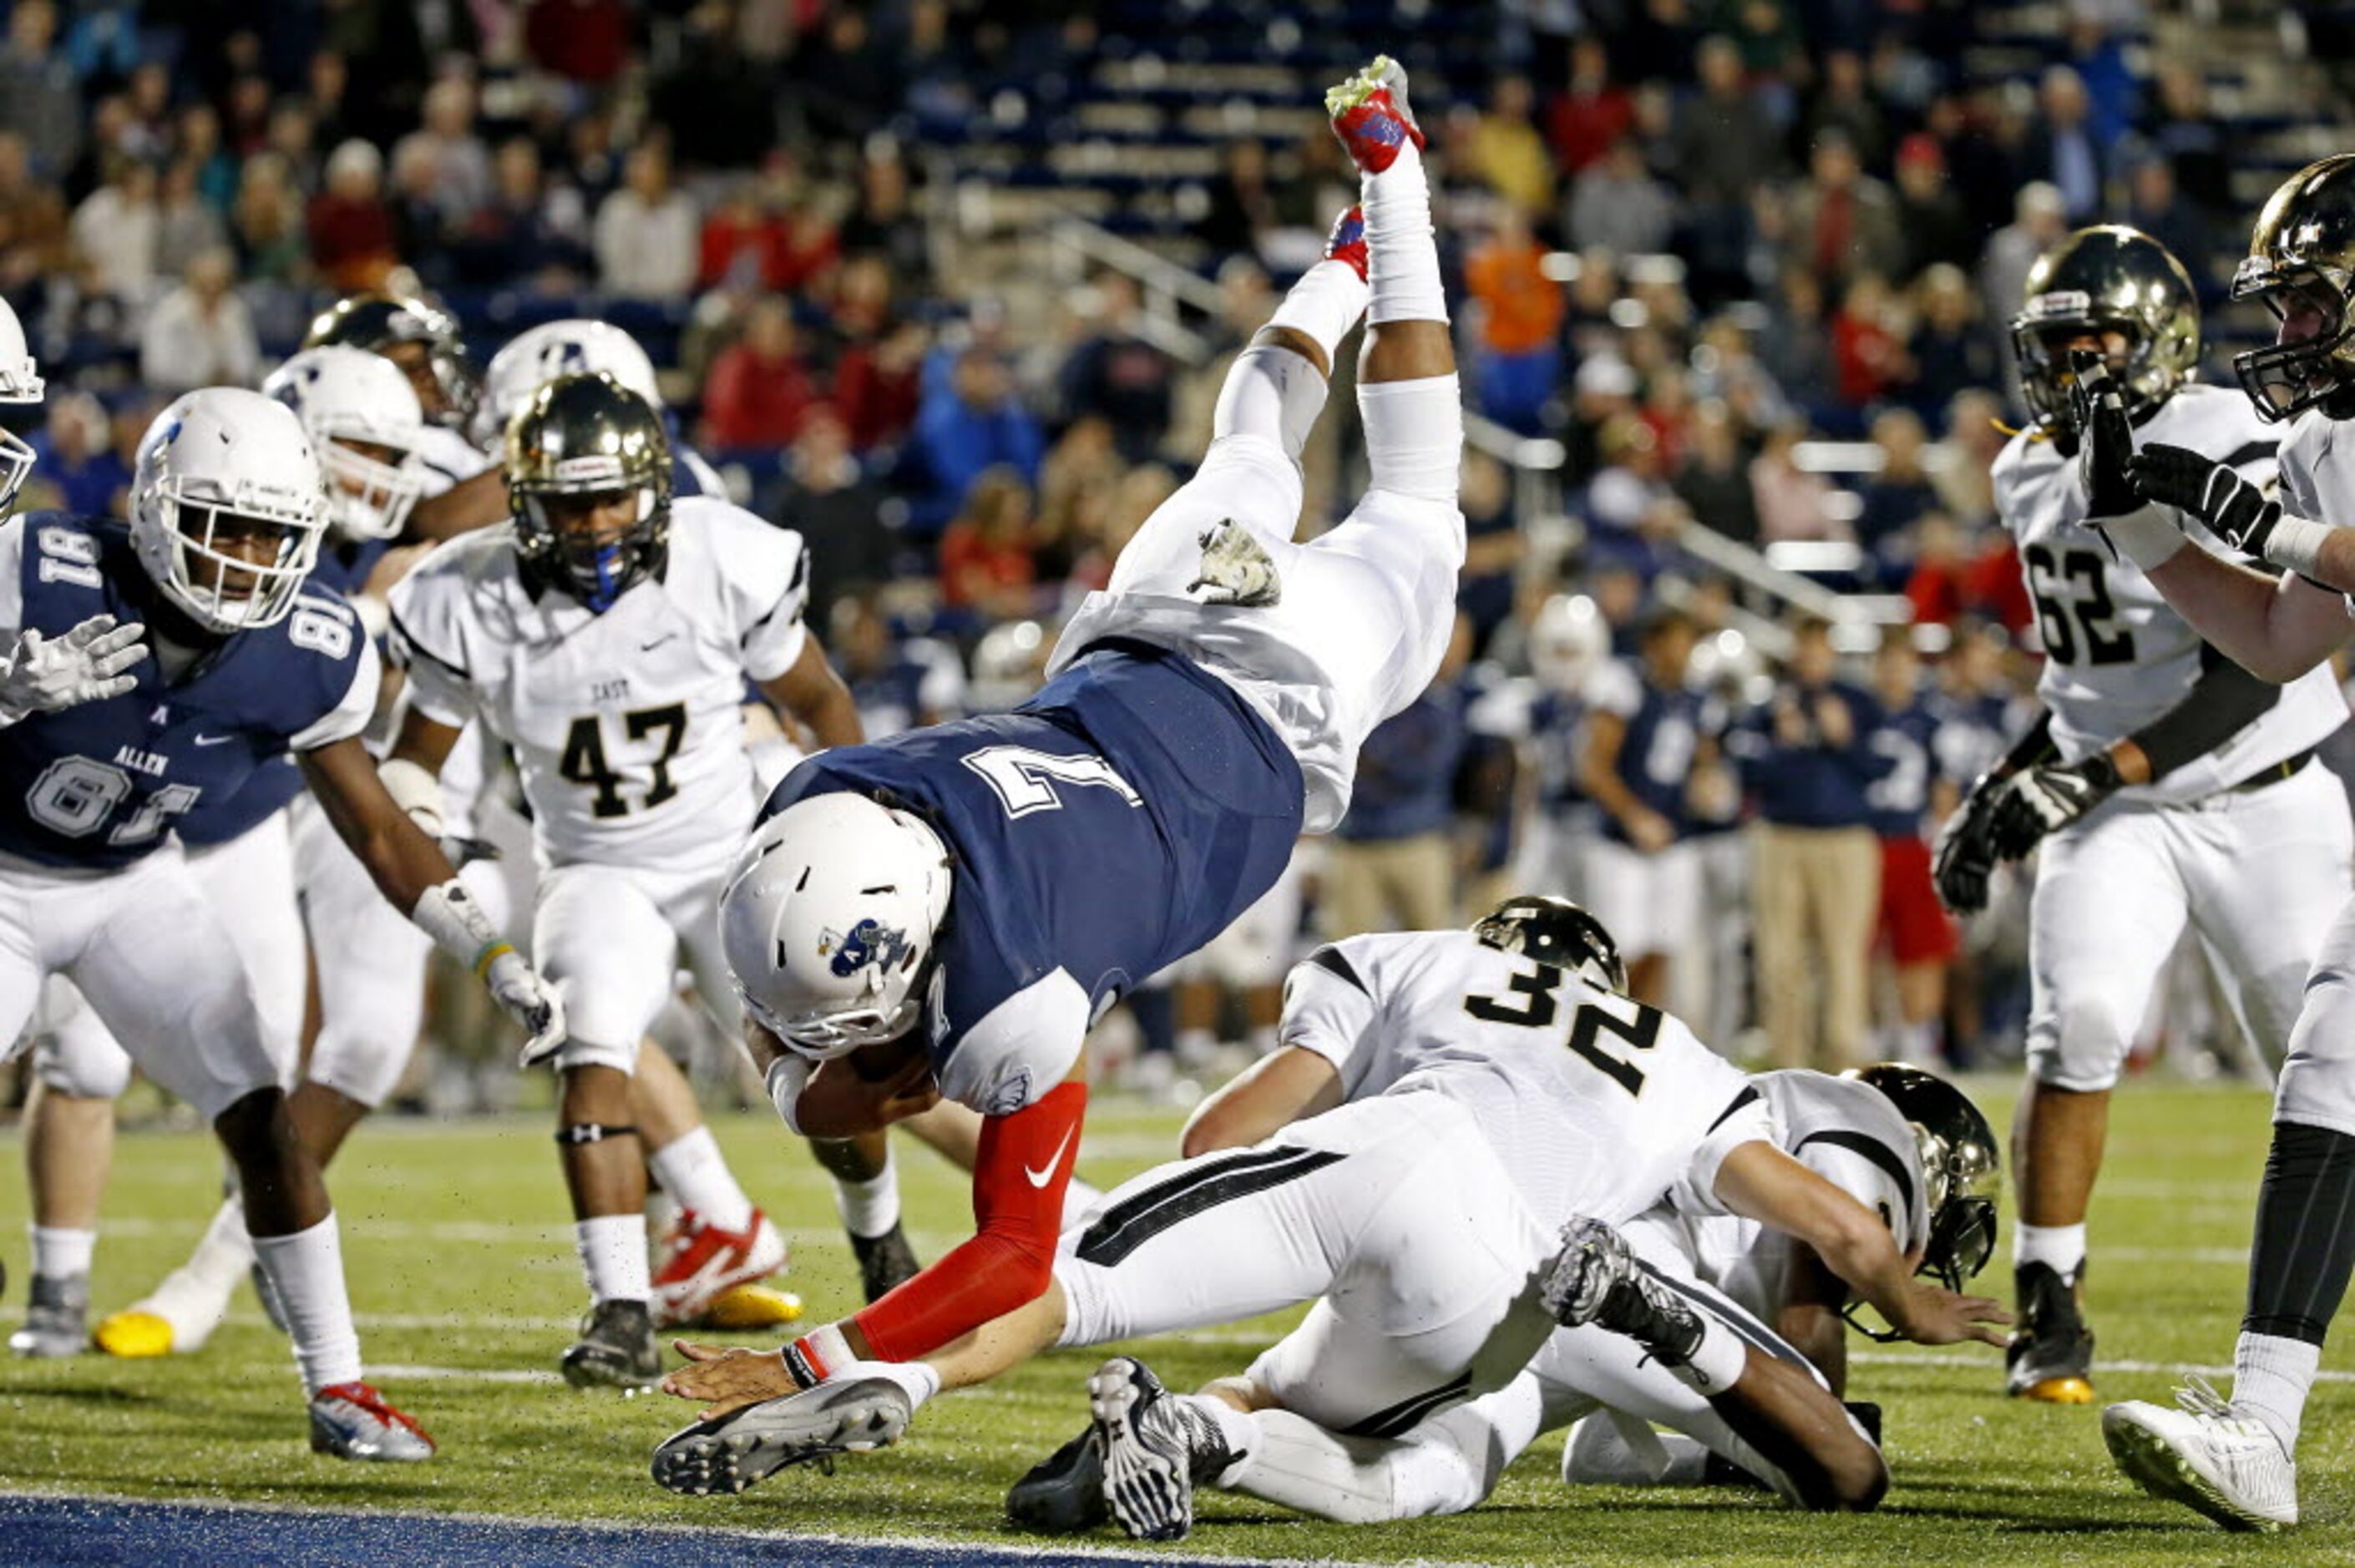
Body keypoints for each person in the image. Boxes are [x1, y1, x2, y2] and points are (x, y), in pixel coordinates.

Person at [696, 57, 1468, 1423]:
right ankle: (1365, 232)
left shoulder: (1012, 1007)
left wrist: (811, 1357)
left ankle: (1392, 191)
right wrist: (796, 1056)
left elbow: (1011, 1249)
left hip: (1280, 694)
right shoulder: (839, 794)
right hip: (1138, 631)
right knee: (1255, 427)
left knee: (1413, 494)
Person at [647, 898, 2006, 1533]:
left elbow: (1214, 1138)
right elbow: (1839, 1246)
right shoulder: (1724, 1071)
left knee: (1079, 1271)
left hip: (1403, 1152)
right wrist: (1914, 1305)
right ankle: (1202, 1441)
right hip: (1552, 1285)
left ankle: (911, 1370)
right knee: (1459, 1458)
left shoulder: (1422, 958)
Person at [0, 380, 564, 1457]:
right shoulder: (37, 567)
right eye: (227, 529)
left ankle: (339, 1388)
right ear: (160, 512)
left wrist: (487, 952)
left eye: (275, 535)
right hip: (4, 878)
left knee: (261, 1111)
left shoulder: (307, 645)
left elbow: (375, 826)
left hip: (130, 881)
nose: (251, 560)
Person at [1932, 224, 2352, 1414]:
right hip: (2114, 802)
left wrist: (2090, 772)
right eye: (2051, 347)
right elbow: (2083, 673)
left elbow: (2258, 661)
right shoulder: (2026, 468)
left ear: (2159, 342)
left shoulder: (2232, 433)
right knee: (2083, 1023)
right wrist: (2014, 777)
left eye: (2095, 343)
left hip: (2263, 795)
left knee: (2321, 1069)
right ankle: (2049, 1297)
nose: (2070, 371)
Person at [383, 373, 874, 1386]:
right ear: (524, 503)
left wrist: (841, 822)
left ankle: (881, 1239)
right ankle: (619, 1308)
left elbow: (822, 703)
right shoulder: (467, 593)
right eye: (570, 502)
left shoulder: (720, 558)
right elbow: (415, 760)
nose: (596, 523)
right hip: (598, 868)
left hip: (733, 855)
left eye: (612, 498)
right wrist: (423, 814)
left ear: (654, 488)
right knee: (589, 1046)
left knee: (832, 1066)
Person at [1001, 1059, 1993, 1525]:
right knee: (1854, 1471)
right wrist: (1851, 1373)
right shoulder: (1856, 1120)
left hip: (1517, 1268)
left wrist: (1746, 1440)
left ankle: (1194, 1433)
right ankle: (1655, 1312)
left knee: (1431, 1472)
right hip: (1626, 1276)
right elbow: (1824, 1270)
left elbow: (1603, 1456)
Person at [2057, 154, 2355, 1529]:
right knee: (2330, 1066)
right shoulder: (2320, 438)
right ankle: (2262, 1431)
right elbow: (2288, 637)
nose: (2289, 333)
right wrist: (2147, 532)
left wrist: (2275, 525)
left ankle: (2264, 1431)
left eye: (2308, 303)